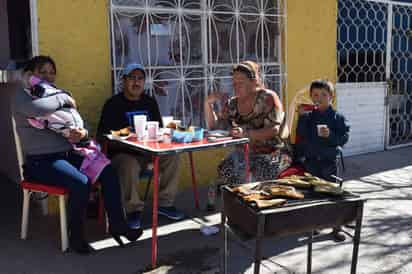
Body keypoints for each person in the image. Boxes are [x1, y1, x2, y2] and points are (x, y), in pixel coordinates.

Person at [13, 56, 142, 254]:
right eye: (43, 72)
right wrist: (64, 97)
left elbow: (78, 121)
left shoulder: (54, 94)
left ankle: (118, 225)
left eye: (51, 72)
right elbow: (37, 109)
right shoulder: (23, 96)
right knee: (81, 182)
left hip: (68, 154)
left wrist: (83, 133)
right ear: (31, 75)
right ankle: (77, 236)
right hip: (41, 161)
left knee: (108, 171)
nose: (48, 76)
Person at [96, 63, 184, 229]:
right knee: (128, 164)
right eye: (132, 78)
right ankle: (133, 210)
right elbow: (101, 136)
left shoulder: (149, 102)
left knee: (173, 156)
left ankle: (165, 204)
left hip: (148, 152)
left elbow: (157, 128)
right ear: (124, 81)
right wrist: (123, 135)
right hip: (122, 154)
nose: (136, 82)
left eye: (140, 79)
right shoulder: (113, 104)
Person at [205, 61, 292, 184]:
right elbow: (215, 128)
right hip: (245, 154)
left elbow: (274, 130)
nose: (236, 86)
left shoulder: (267, 98)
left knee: (254, 175)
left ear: (254, 81)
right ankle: (234, 202)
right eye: (234, 83)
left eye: (240, 83)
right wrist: (208, 104)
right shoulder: (233, 104)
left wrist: (246, 134)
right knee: (225, 169)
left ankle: (253, 202)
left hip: (274, 153)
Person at [296, 79, 350, 242]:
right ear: (311, 97)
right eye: (315, 95)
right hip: (312, 161)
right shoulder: (308, 117)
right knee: (313, 194)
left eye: (324, 95)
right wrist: (300, 117)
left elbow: (343, 138)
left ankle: (336, 227)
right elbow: (301, 134)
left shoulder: (338, 118)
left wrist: (331, 136)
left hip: (329, 162)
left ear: (331, 97)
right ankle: (314, 225)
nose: (319, 98)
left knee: (332, 194)